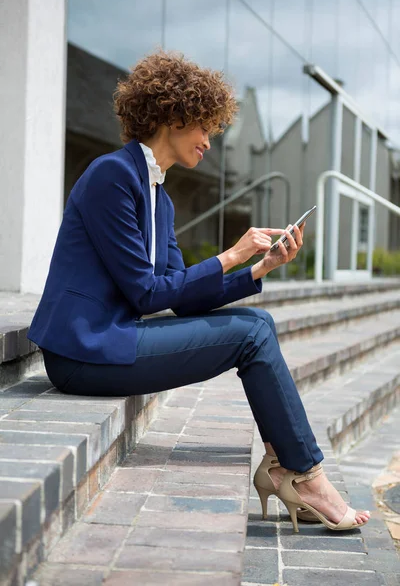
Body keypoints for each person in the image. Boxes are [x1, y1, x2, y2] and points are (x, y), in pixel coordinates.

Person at [28, 50, 370, 532]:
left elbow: (179, 294)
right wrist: (230, 255)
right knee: (251, 335)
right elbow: (147, 294)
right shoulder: (112, 175)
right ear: (173, 116)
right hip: (83, 352)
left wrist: (256, 269)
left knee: (259, 323)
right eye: (203, 127)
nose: (209, 141)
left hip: (115, 338)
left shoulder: (159, 198)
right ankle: (305, 476)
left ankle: (289, 469)